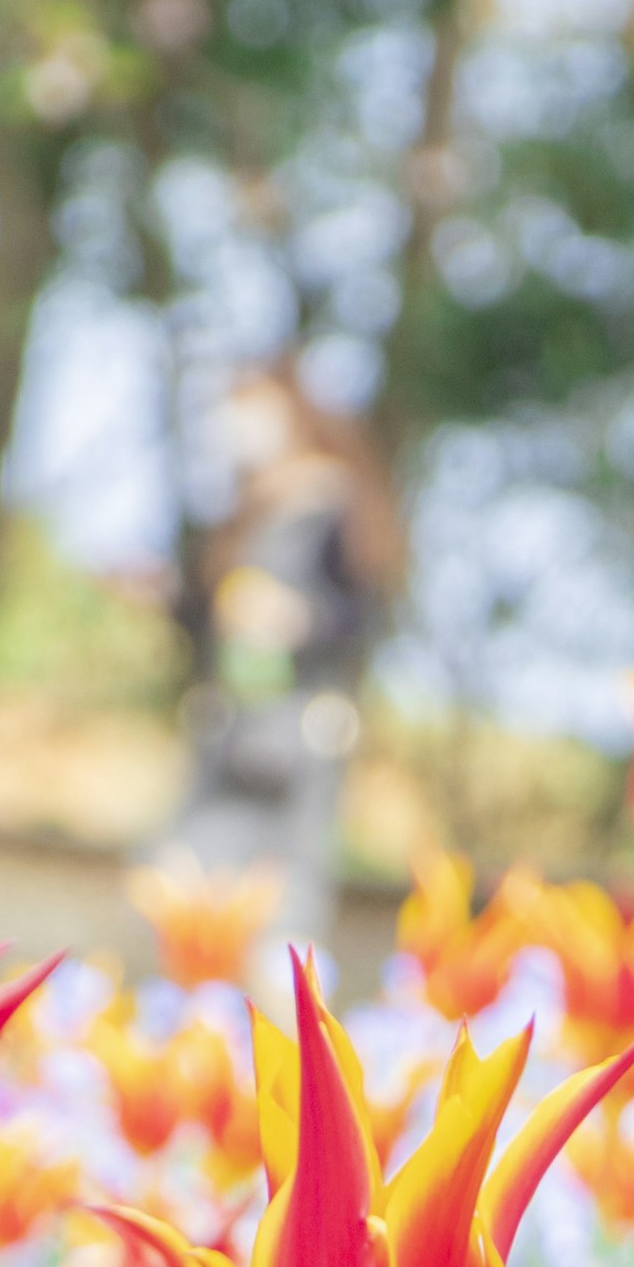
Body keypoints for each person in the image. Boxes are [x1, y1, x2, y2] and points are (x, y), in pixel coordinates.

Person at [169, 366, 404, 952]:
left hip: (298, 738)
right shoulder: (245, 512)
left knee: (283, 900)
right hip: (228, 728)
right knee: (191, 887)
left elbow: (363, 616)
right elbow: (205, 617)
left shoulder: (333, 506)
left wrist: (301, 621)